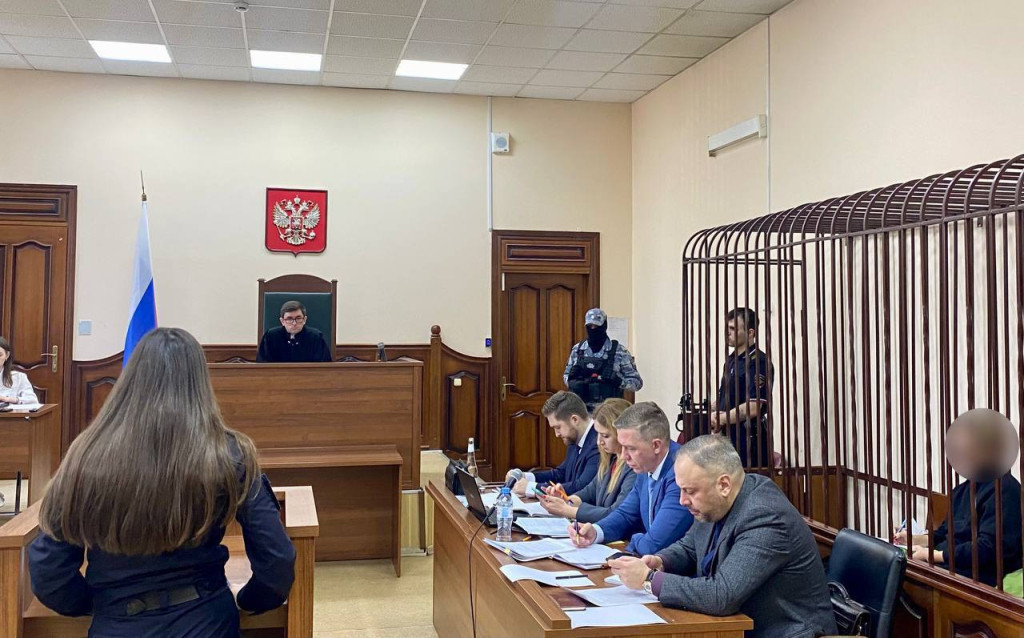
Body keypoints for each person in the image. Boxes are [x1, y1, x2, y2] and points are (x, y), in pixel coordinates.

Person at [28, 328, 296, 638]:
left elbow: (49, 570)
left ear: (130, 380)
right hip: (205, 620)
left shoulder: (85, 454)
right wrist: (249, 600)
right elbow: (277, 560)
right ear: (199, 383)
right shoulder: (230, 453)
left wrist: (94, 604)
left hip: (118, 623)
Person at [608, 435, 837, 638]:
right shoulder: (717, 501)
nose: (682, 501)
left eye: (689, 491)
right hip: (735, 625)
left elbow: (722, 595)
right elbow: (690, 546)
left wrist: (649, 579)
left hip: (783, 631)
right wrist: (661, 561)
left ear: (724, 485)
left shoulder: (765, 516)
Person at [895, 409, 1023, 586]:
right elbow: (945, 532)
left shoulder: (1006, 490)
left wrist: (932, 555)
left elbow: (987, 548)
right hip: (950, 562)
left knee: (904, 575)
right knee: (895, 563)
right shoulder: (963, 490)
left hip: (981, 575)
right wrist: (913, 540)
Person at [568, 402, 693, 555]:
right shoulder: (645, 465)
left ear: (656, 446)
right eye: (622, 447)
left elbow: (653, 545)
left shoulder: (681, 474)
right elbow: (625, 514)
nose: (623, 456)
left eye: (631, 448)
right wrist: (595, 531)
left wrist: (634, 538)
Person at [537, 398, 637, 523]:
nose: (599, 442)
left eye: (605, 436)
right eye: (598, 434)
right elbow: (589, 492)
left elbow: (616, 514)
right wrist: (566, 500)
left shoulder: (634, 467)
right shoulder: (610, 460)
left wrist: (566, 510)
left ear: (621, 435)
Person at [505, 391, 600, 499]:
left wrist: (531, 488)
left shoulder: (598, 443)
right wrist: (525, 476)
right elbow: (561, 474)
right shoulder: (575, 437)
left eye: (558, 427)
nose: (556, 434)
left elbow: (581, 487)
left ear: (575, 419)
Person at [710, 307, 773, 468]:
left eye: (733, 328)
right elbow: (727, 397)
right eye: (727, 327)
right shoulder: (731, 361)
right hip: (728, 438)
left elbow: (754, 407)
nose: (727, 333)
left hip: (749, 440)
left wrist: (721, 419)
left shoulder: (758, 362)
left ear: (750, 333)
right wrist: (709, 410)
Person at [564, 308, 642, 409]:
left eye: (596, 326)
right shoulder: (578, 350)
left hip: (610, 411)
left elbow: (637, 383)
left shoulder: (619, 351)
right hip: (582, 411)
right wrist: (572, 381)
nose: (593, 329)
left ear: (604, 326)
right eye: (590, 326)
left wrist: (619, 381)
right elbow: (566, 375)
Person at [257, 300, 332, 363]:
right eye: (289, 319)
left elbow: (324, 367)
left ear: (304, 320)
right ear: (282, 321)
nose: (294, 323)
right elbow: (263, 366)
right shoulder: (270, 336)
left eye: (298, 318)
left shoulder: (316, 337)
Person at [0, 336, 39, 405]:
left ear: (7, 355)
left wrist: (9, 399)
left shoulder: (19, 377)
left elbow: (33, 400)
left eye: (0, 355)